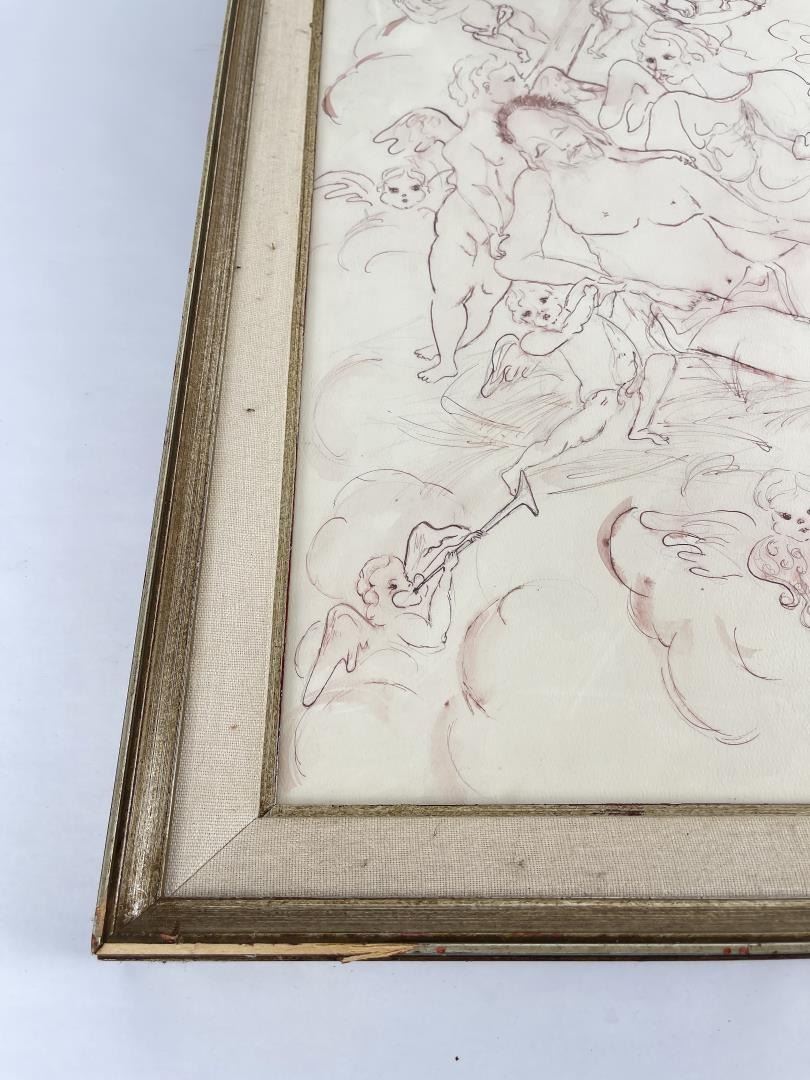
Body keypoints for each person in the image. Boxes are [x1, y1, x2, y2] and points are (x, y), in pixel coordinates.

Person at [481, 279, 684, 492]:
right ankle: (515, 470)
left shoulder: (576, 305)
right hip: (603, 392)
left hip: (633, 374)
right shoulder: (542, 337)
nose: (542, 312)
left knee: (663, 362)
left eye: (543, 300)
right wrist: (584, 302)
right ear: (525, 322)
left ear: (555, 294)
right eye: (528, 313)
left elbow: (593, 287)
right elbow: (570, 328)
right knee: (576, 431)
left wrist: (591, 290)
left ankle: (640, 427)